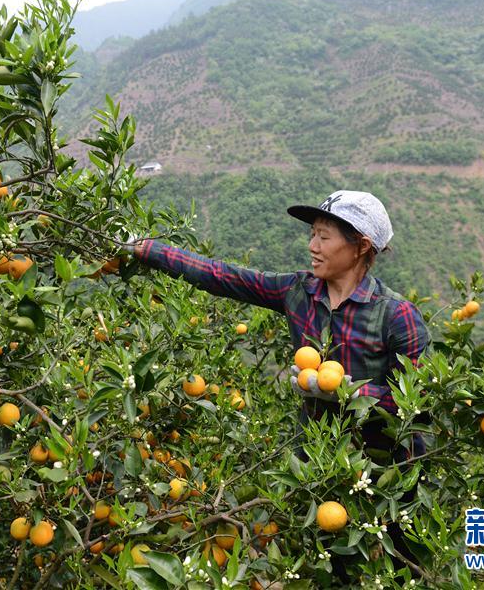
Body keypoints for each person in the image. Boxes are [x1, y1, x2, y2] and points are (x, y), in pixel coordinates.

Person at [123, 190, 431, 577]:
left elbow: (418, 404)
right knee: (322, 570)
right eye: (313, 234)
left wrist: (348, 392)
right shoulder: (297, 291)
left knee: (399, 572)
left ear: (360, 246)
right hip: (317, 467)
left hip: (387, 477)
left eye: (324, 236)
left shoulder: (396, 315)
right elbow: (223, 277)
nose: (312, 246)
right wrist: (146, 248)